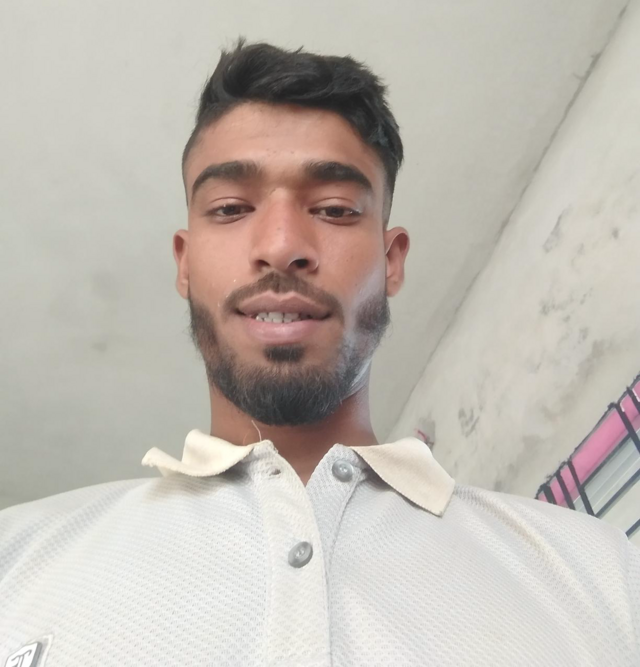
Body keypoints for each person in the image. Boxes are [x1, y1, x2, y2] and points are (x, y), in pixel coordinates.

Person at [1, 39, 638, 667]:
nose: (281, 245)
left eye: (333, 210)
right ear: (185, 263)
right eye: (230, 208)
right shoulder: (17, 558)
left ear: (391, 261)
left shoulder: (604, 576)